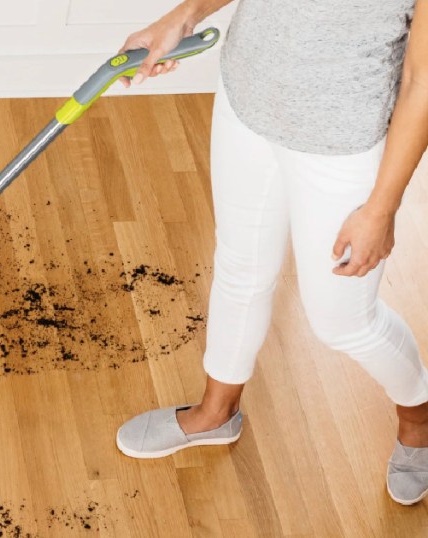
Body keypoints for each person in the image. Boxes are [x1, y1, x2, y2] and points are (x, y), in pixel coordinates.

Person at [113, 0, 428, 506]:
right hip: (247, 102)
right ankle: (216, 413)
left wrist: (381, 207)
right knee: (240, 266)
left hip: (341, 145)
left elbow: (421, 79)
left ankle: (420, 416)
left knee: (343, 322)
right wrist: (186, 15)